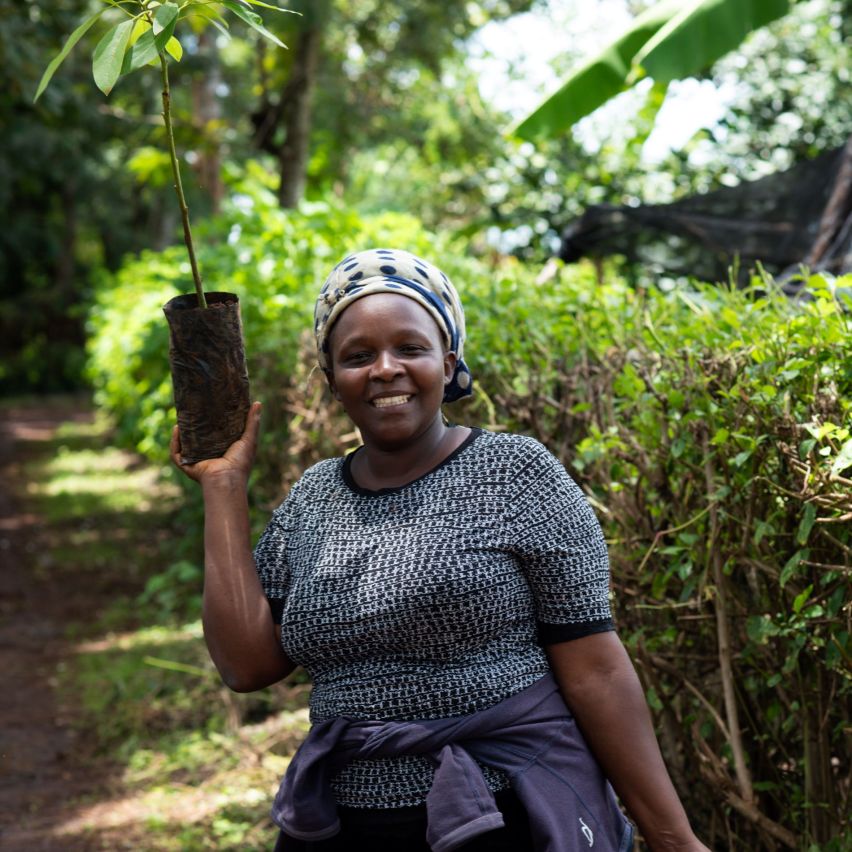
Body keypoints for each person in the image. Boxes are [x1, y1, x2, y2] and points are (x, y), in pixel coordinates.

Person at [171, 248, 710, 852]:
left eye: (410, 348)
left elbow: (597, 671)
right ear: (331, 380)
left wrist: (673, 838)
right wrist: (223, 488)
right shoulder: (313, 499)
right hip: (341, 823)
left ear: (448, 361)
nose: (384, 369)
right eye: (357, 356)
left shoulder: (518, 475)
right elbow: (247, 666)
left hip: (503, 814)